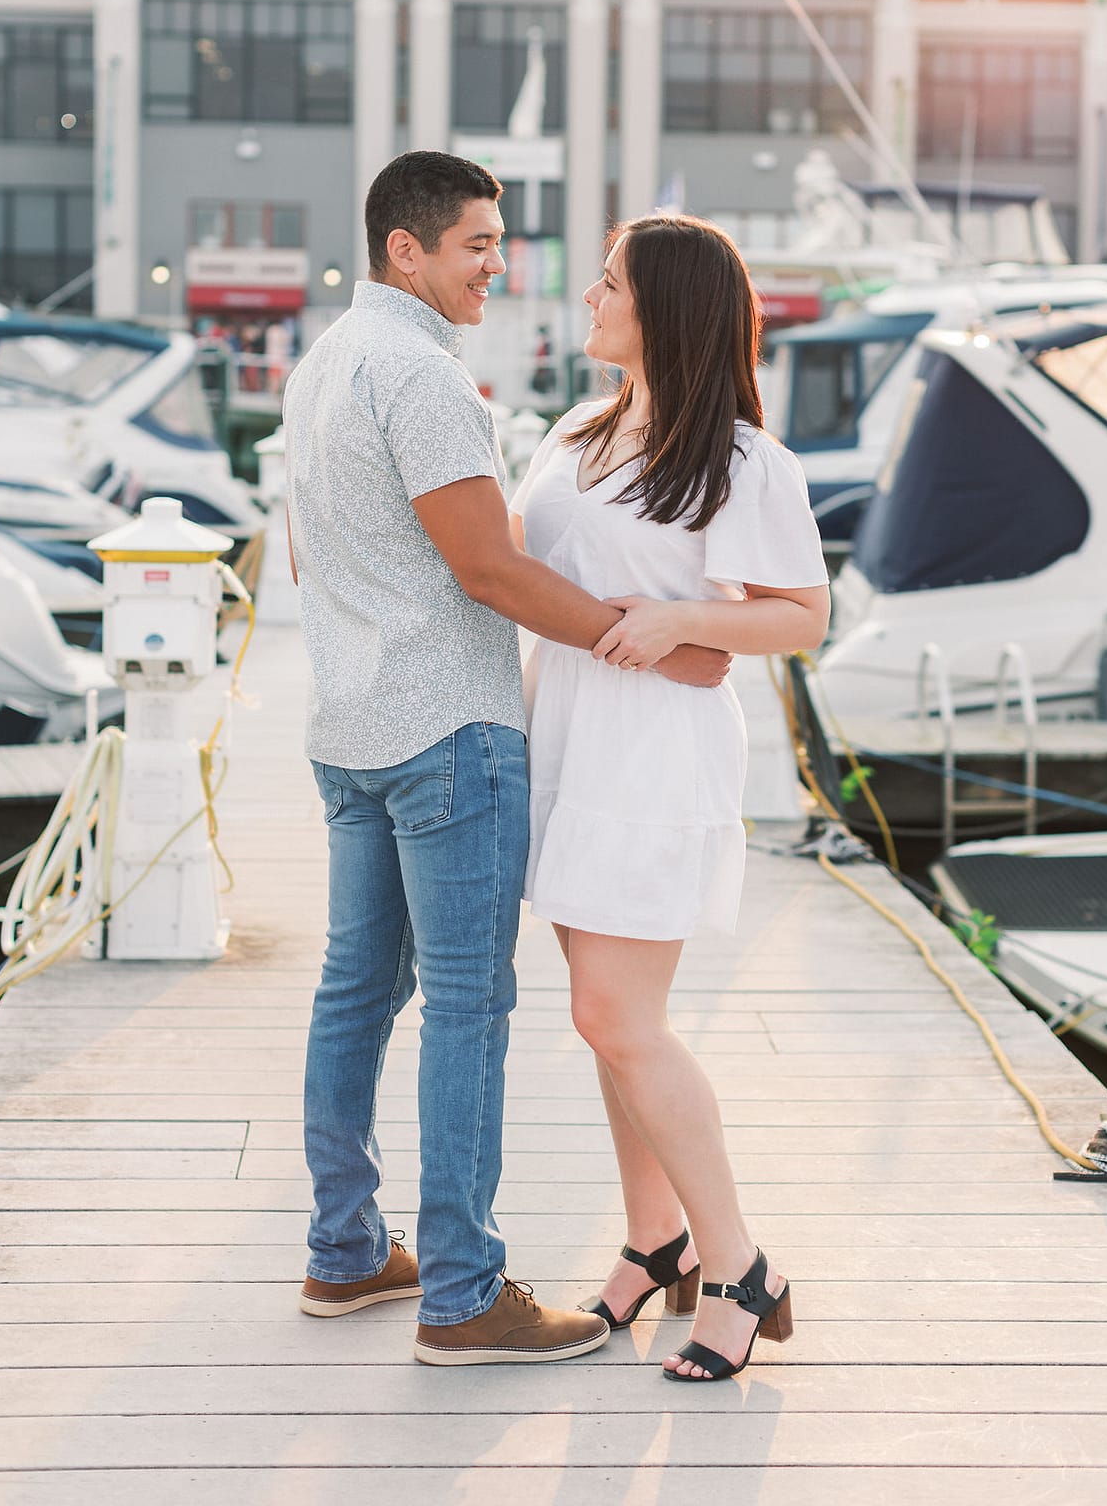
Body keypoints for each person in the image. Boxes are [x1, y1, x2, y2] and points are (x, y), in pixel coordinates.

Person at [282, 151, 730, 1367]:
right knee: (467, 1009)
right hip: (446, 735)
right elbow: (489, 568)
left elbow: (305, 555)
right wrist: (647, 642)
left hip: (348, 729)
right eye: (476, 243)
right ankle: (463, 1294)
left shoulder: (322, 364)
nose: (499, 264)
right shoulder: (422, 375)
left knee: (354, 993)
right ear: (406, 250)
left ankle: (344, 1253)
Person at [508, 214, 831, 1384]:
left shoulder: (743, 460)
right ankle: (655, 1242)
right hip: (562, 734)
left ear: (667, 308)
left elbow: (801, 616)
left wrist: (684, 622)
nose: (590, 298)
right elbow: (519, 563)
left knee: (618, 1017)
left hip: (654, 752)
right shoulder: (574, 431)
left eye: (609, 283)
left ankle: (740, 1267)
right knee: (602, 1018)